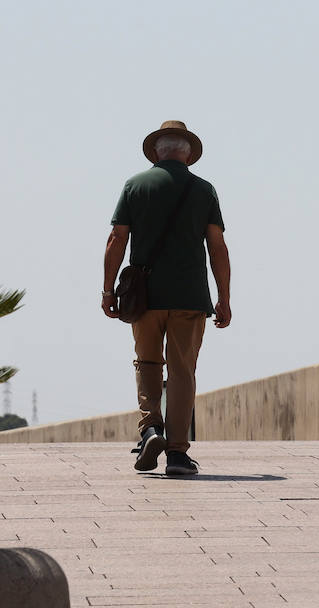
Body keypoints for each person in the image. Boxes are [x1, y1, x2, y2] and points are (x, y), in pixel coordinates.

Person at [102, 120, 231, 476]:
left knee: (147, 363)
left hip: (143, 297)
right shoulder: (203, 190)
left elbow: (117, 238)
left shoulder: (135, 186)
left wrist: (108, 289)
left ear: (157, 151)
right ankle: (176, 453)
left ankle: (150, 429)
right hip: (190, 296)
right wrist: (224, 297)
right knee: (182, 372)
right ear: (187, 153)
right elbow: (217, 247)